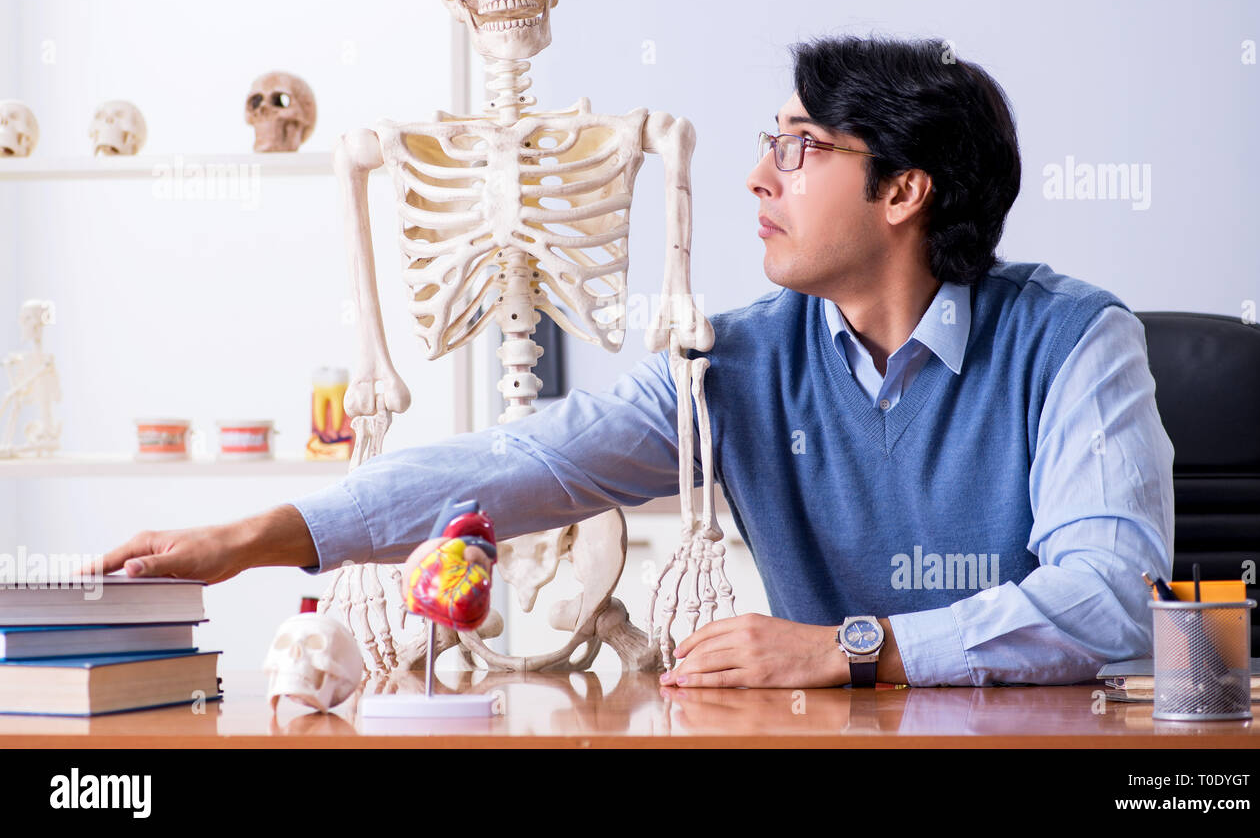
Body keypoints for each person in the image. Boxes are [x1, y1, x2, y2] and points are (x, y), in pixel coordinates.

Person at [90, 34, 1175, 689]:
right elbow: (521, 464)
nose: (757, 176)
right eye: (767, 142)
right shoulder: (736, 360)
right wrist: (253, 539)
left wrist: (846, 646)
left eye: (799, 148)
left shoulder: (1076, 342)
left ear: (903, 191)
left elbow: (1112, 597)